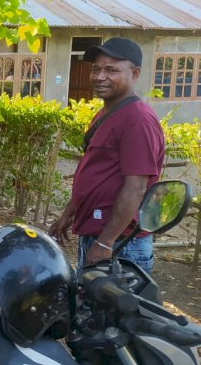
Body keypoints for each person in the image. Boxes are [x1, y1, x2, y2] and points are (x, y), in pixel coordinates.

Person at [49, 38, 165, 273]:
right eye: (96, 69)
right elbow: (97, 173)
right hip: (99, 235)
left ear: (135, 73)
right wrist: (67, 215)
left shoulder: (138, 119)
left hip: (122, 245)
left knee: (115, 310)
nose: (99, 76)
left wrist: (105, 243)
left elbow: (136, 187)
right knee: (89, 308)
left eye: (111, 70)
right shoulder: (106, 113)